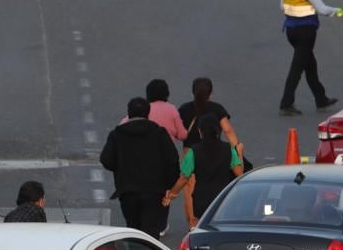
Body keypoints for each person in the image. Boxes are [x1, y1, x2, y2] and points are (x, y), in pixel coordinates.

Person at [100, 98, 179, 237]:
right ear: (148, 114)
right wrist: (170, 185)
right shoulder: (159, 133)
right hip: (155, 192)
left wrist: (121, 167)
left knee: (133, 230)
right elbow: (172, 160)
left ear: (129, 113)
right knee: (151, 233)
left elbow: (106, 160)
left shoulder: (117, 134)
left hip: (128, 191)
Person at [279, 0, 343, 117]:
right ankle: (286, 104)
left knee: (310, 65)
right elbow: (322, 9)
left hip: (291, 31)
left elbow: (282, 6)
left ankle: (321, 99)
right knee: (297, 68)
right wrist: (336, 11)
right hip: (305, 33)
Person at [166, 113, 244, 228]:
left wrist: (172, 193)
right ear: (218, 130)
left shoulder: (194, 151)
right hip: (223, 199)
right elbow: (239, 173)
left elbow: (184, 178)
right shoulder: (228, 149)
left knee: (204, 228)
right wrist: (240, 153)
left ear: (200, 131)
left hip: (201, 200)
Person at [177, 77, 244, 155]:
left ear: (193, 92)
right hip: (214, 152)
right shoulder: (217, 109)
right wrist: (237, 150)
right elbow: (227, 130)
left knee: (189, 167)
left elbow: (176, 131)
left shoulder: (184, 108)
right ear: (211, 92)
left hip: (189, 153)